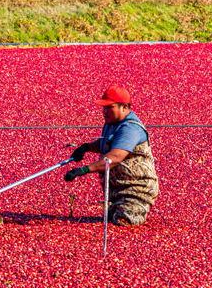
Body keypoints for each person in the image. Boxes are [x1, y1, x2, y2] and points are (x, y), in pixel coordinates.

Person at [64, 86, 158, 226]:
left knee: (124, 221)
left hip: (136, 190)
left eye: (110, 107)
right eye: (104, 107)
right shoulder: (112, 123)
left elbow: (115, 157)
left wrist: (84, 170)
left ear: (124, 107)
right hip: (116, 191)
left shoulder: (130, 129)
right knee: (111, 219)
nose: (104, 111)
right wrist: (86, 147)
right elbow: (106, 142)